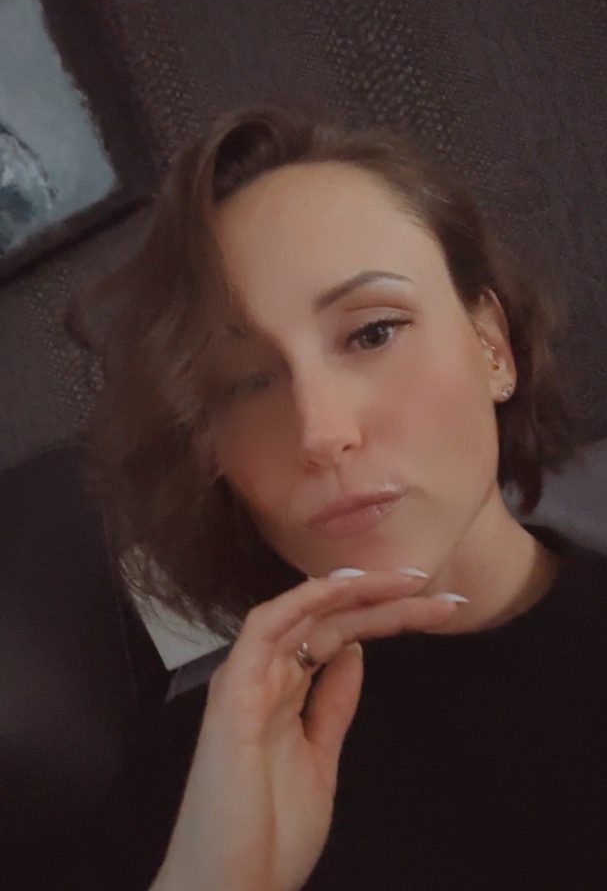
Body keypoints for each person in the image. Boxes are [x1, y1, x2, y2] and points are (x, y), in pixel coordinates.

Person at [76, 105, 607, 890]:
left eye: (372, 333)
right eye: (245, 383)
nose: (320, 433)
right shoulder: (187, 791)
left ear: (491, 347)